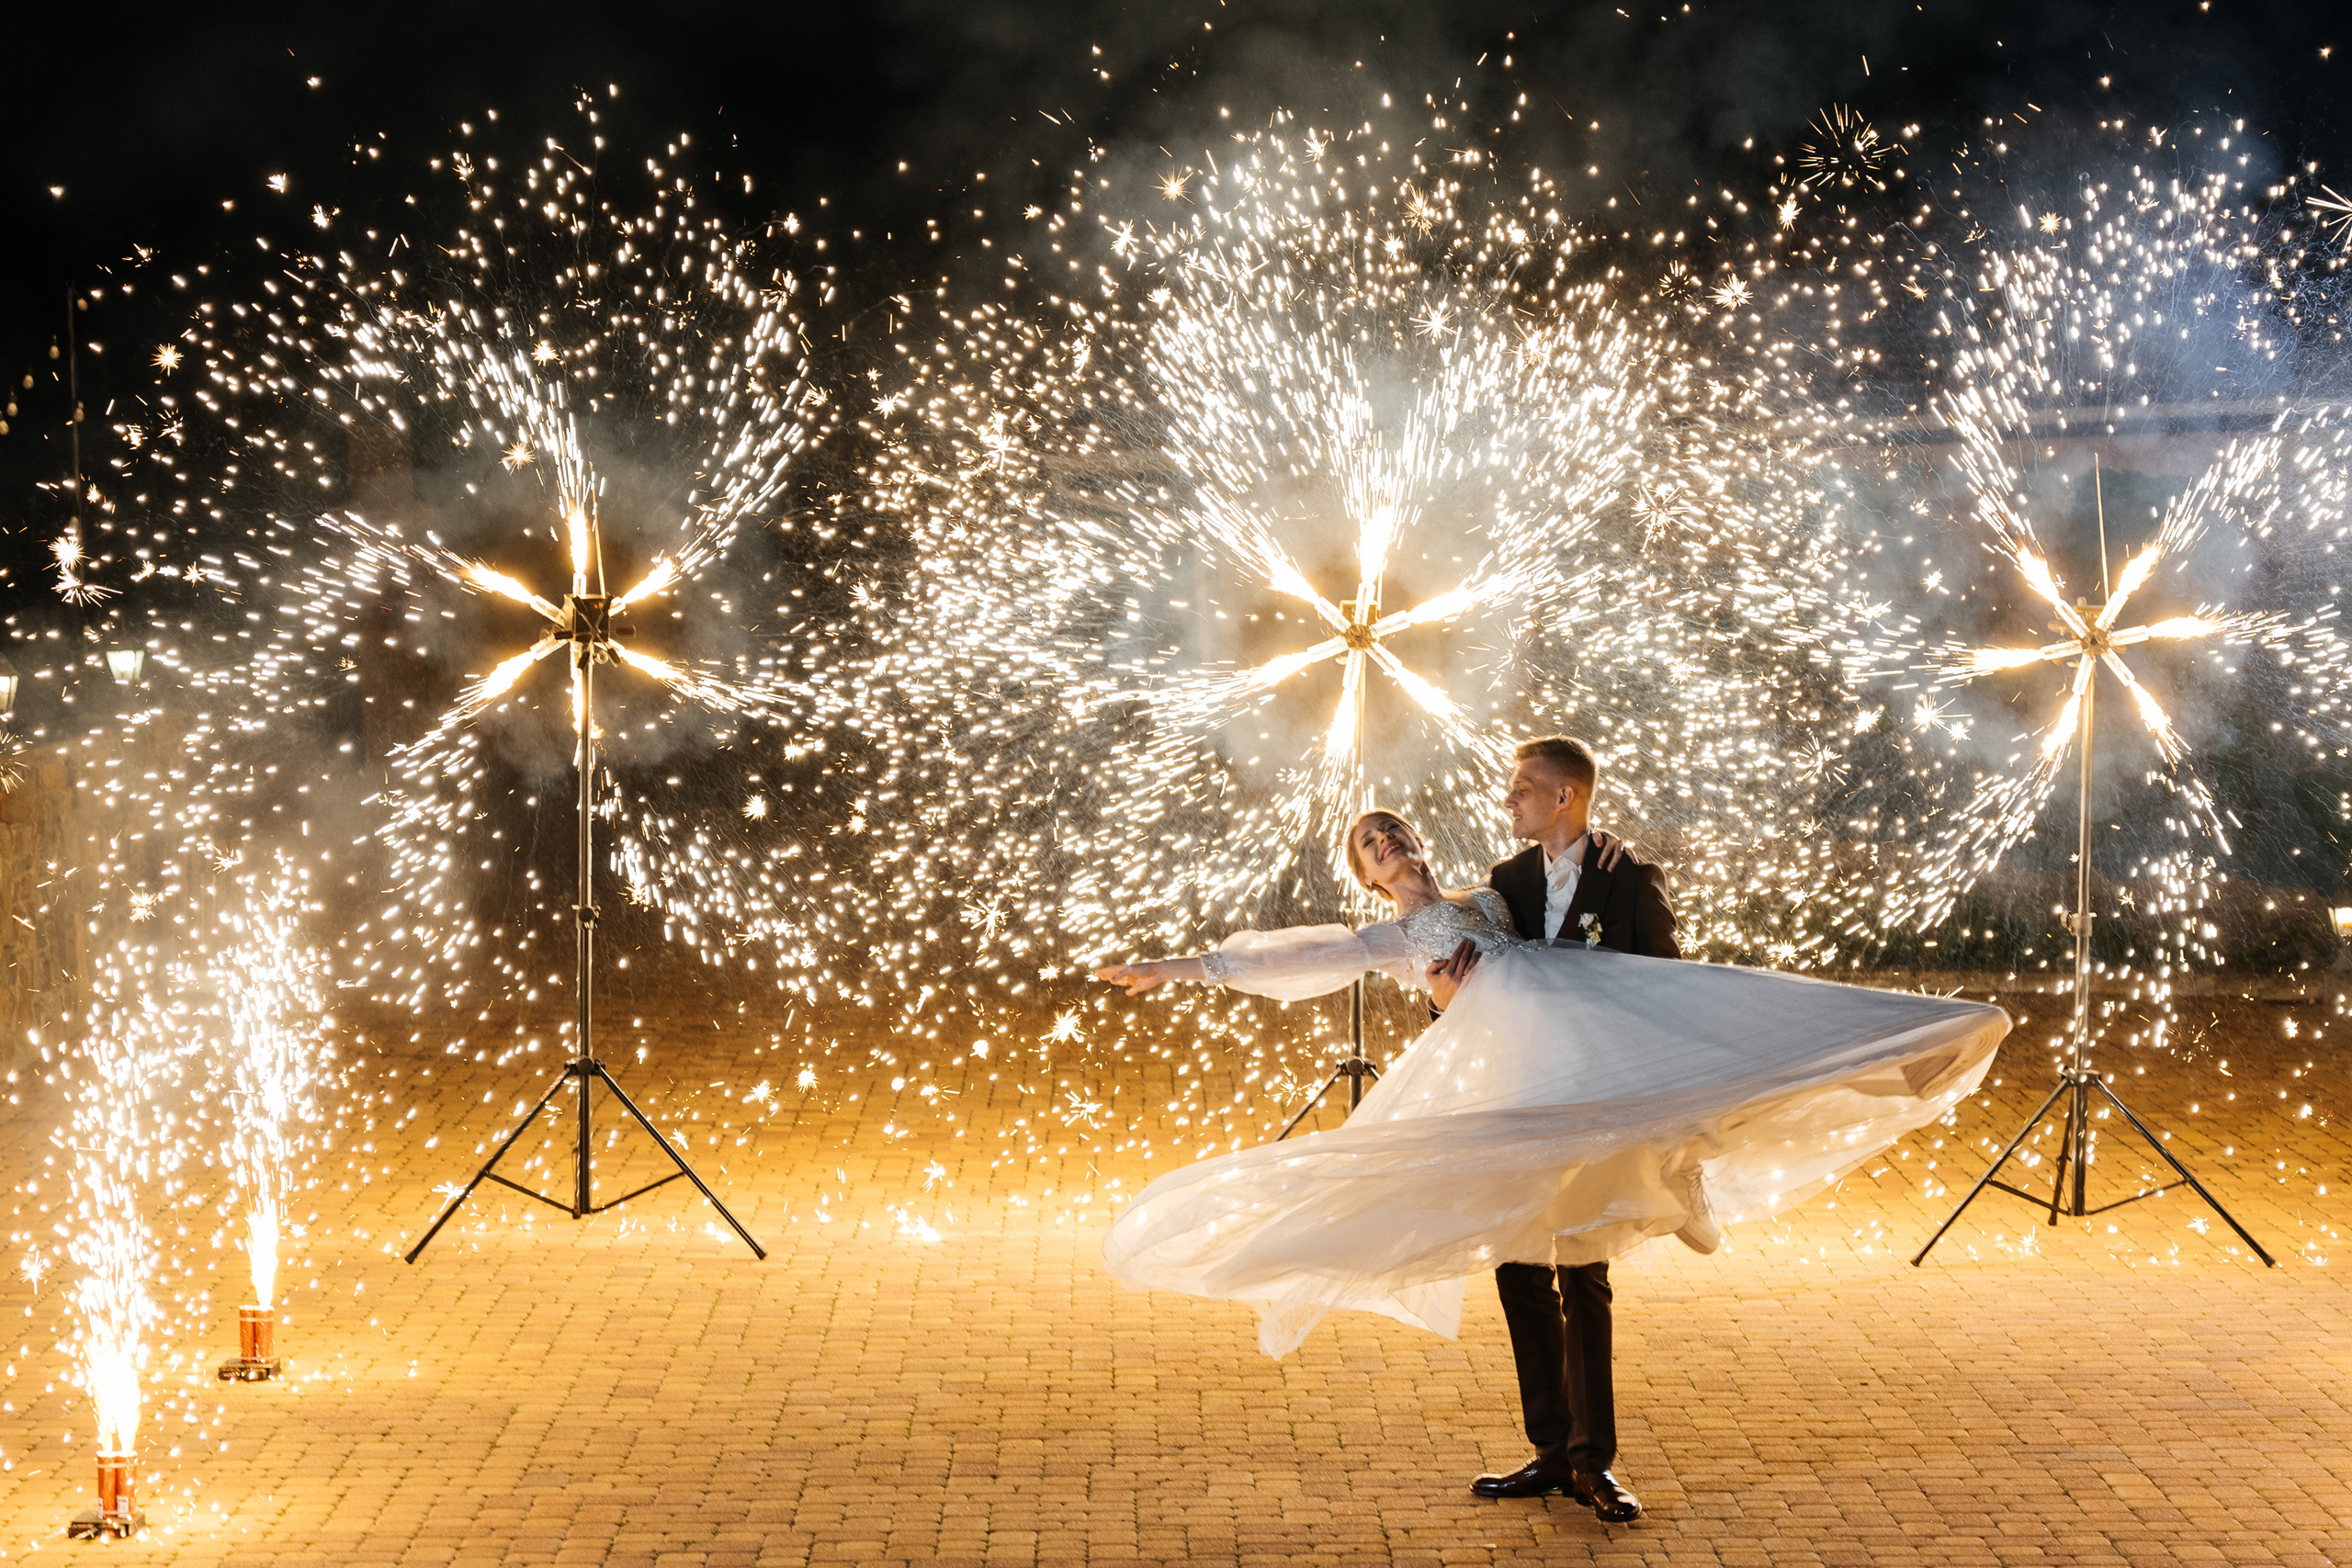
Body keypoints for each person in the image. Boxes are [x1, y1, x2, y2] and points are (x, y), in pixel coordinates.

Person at [1094, 757, 2007, 1529]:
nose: (1388, 843)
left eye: (1394, 830)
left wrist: (1606, 858)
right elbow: (1307, 965)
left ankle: (1591, 1458)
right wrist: (1179, 968)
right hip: (1512, 1094)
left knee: (1586, 1266)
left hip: (1590, 1082)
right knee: (1518, 1266)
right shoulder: (1403, 927)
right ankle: (1546, 1450)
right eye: (1370, 844)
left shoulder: (1495, 891)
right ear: (1368, 878)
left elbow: (1636, 972)